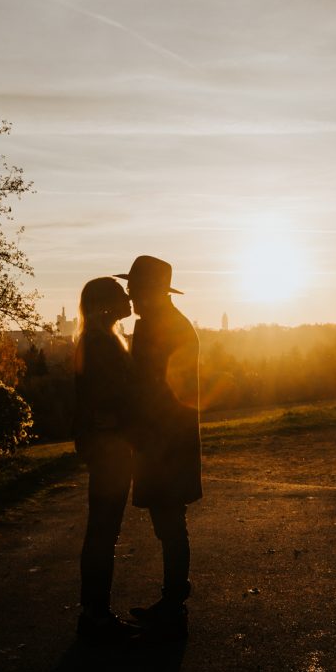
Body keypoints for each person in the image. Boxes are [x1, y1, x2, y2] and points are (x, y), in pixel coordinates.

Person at [114, 255, 202, 640]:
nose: (130, 295)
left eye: (134, 288)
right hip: (166, 440)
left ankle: (174, 604)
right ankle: (173, 599)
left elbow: (153, 389)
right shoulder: (163, 323)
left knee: (170, 522)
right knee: (169, 523)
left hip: (165, 442)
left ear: (150, 291)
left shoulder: (161, 328)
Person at [72, 276, 139, 642]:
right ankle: (95, 615)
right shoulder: (101, 343)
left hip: (107, 445)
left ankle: (95, 612)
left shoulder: (100, 339)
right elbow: (109, 397)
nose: (128, 298)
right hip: (110, 447)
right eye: (120, 295)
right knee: (103, 531)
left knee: (103, 530)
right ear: (105, 303)